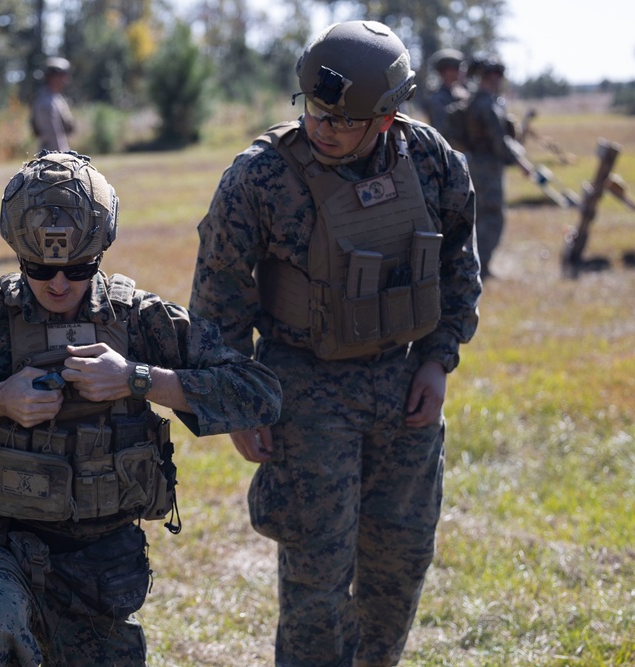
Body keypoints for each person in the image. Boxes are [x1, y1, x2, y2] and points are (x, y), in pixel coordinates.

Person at [0, 150, 283, 666]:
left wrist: (137, 378)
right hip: (2, 550)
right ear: (18, 252)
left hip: (100, 575)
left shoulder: (139, 319)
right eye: (40, 268)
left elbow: (259, 391)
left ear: (101, 251)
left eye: (78, 269)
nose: (58, 285)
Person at [189, 21, 481, 667]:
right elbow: (217, 305)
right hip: (305, 389)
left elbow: (459, 266)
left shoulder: (431, 161)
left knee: (398, 562)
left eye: (342, 119)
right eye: (315, 109)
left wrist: (437, 358)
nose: (323, 126)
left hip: (403, 383)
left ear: (386, 116)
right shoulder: (259, 179)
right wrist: (238, 403)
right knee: (316, 580)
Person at [463, 54, 517, 279]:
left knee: (480, 214)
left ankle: (474, 262)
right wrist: (514, 158)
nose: (494, 79)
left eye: (497, 75)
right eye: (490, 75)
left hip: (477, 164)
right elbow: (498, 139)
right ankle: (480, 265)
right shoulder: (486, 104)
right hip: (487, 166)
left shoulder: (476, 100)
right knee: (492, 215)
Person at [31, 57, 75, 152]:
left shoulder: (56, 98)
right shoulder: (47, 102)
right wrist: (62, 157)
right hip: (53, 157)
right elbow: (53, 135)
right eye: (63, 75)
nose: (66, 79)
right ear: (53, 77)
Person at [425, 48, 469, 142]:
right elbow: (442, 130)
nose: (462, 71)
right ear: (447, 71)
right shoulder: (438, 99)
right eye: (457, 68)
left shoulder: (462, 93)